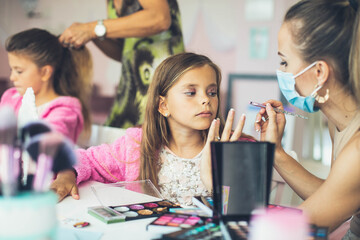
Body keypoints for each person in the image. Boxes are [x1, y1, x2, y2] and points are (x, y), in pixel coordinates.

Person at [50, 52, 254, 206]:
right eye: (191, 92)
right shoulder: (136, 145)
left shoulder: (235, 147)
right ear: (163, 106)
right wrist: (67, 174)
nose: (205, 100)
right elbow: (86, 160)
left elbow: (248, 214)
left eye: (212, 92)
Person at [255, 0, 360, 238]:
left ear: (319, 72)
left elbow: (288, 231)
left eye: (284, 62)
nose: (280, 72)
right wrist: (275, 151)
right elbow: (335, 196)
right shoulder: (338, 124)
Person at [59, 0, 185, 128]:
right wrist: (93, 36)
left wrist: (92, 28)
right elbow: (124, 52)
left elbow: (160, 18)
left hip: (163, 86)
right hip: (130, 91)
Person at [0, 28, 92, 143]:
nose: (12, 77)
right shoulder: (11, 98)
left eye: (19, 71)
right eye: (11, 69)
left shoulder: (65, 112)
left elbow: (46, 146)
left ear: (45, 72)